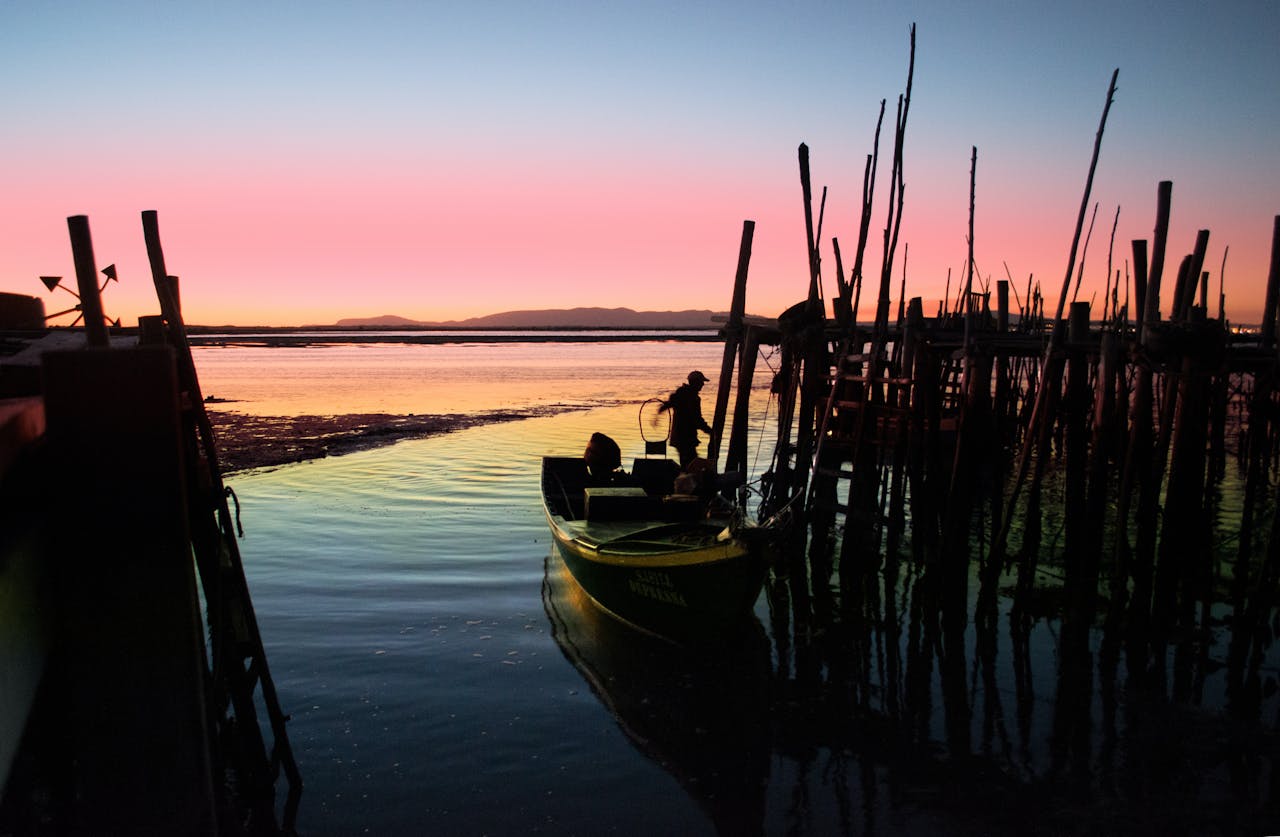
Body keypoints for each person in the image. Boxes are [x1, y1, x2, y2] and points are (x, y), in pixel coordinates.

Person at [660, 370, 714, 467]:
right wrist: (710, 431)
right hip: (685, 438)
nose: (703, 384)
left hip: (681, 437)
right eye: (701, 382)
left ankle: (685, 478)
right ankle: (685, 480)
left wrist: (660, 411)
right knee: (690, 464)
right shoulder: (692, 398)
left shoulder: (681, 394)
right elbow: (697, 419)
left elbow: (670, 403)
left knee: (688, 464)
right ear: (695, 382)